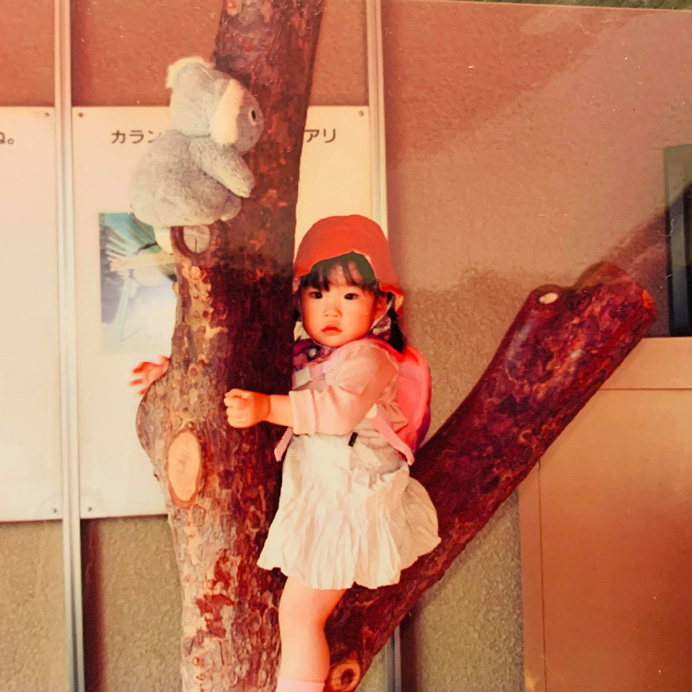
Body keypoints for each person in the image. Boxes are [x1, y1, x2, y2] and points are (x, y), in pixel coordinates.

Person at [225, 215, 440, 692]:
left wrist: (266, 407)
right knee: (297, 612)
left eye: (350, 296)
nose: (332, 310)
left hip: (347, 501)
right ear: (299, 298)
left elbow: (338, 411)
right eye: (318, 294)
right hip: (322, 494)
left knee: (300, 614)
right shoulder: (305, 351)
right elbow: (235, 373)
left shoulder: (370, 357)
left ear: (382, 302)